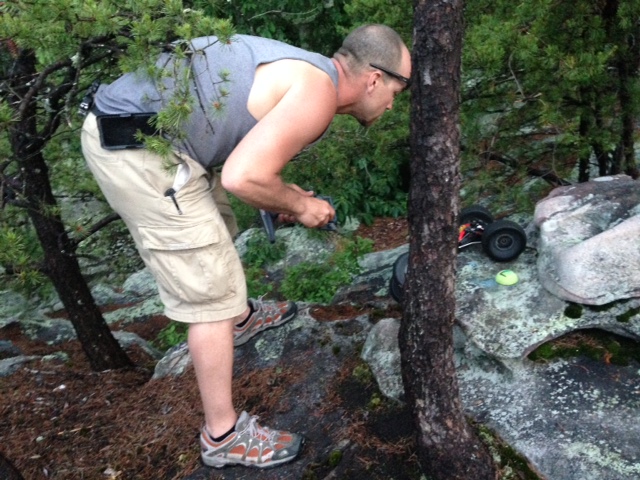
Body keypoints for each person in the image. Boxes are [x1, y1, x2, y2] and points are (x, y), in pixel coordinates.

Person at [80, 23, 411, 469]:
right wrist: (300, 206)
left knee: (220, 226)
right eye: (397, 89)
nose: (393, 103)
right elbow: (242, 177)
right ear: (374, 78)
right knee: (210, 289)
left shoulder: (310, 73)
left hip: (158, 135)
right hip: (135, 147)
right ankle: (222, 436)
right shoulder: (317, 93)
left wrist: (277, 196)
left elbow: (249, 157)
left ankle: (238, 319)